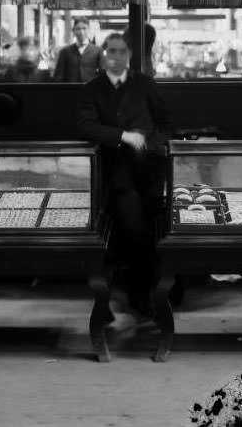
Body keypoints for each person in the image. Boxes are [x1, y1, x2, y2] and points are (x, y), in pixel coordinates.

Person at [77, 33, 171, 318]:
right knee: (133, 230)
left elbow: (165, 124)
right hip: (118, 173)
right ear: (103, 55)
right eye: (110, 51)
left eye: (121, 51)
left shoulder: (144, 83)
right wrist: (123, 136)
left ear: (129, 54)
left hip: (151, 171)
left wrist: (150, 143)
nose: (115, 56)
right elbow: (84, 125)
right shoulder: (93, 88)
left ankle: (156, 292)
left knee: (156, 231)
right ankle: (138, 296)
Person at [53, 17, 101, 82]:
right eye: (78, 29)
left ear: (89, 30)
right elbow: (59, 76)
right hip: (71, 90)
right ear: (73, 31)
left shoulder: (98, 51)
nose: (81, 32)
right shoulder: (65, 52)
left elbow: (102, 74)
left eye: (84, 28)